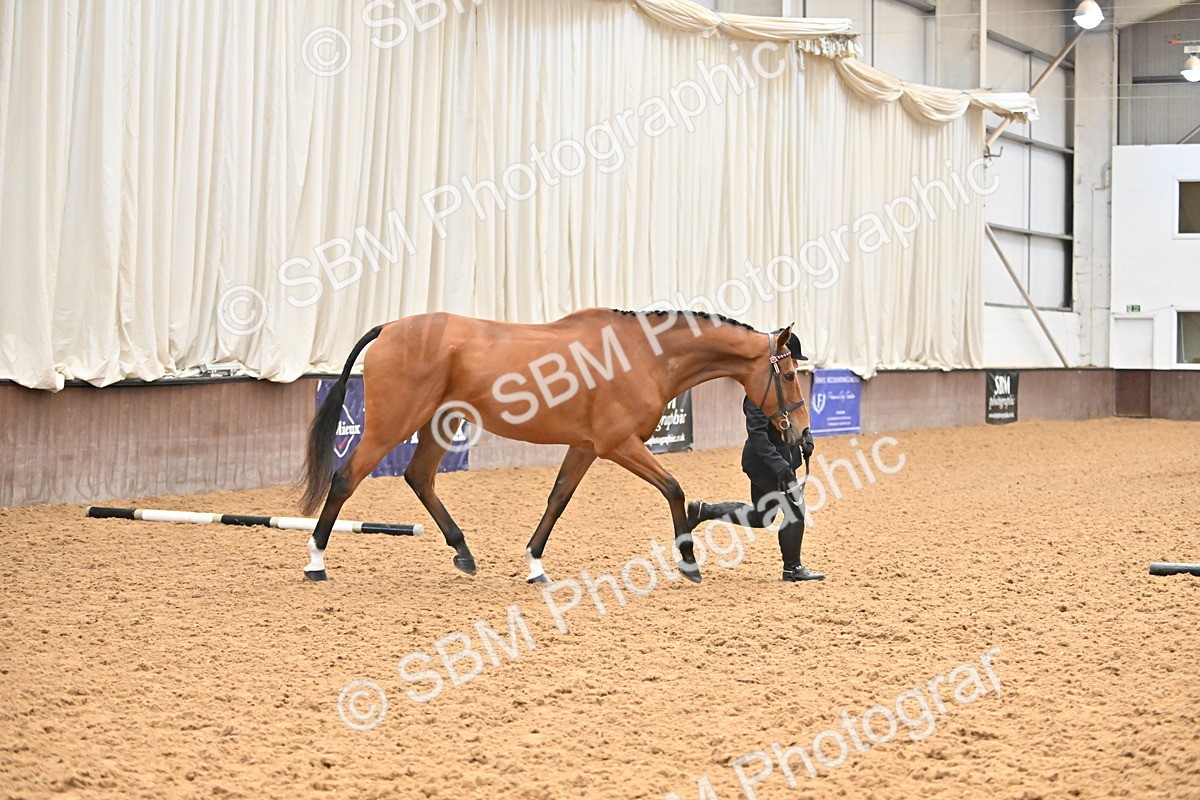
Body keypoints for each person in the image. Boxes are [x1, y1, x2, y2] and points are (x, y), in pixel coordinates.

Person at [686, 331, 825, 582]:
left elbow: (794, 418)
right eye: (794, 359)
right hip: (765, 464)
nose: (796, 364)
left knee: (762, 517)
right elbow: (758, 437)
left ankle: (703, 511)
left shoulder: (783, 385)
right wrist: (781, 468)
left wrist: (806, 438)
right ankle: (792, 568)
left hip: (778, 461)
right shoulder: (758, 395)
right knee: (795, 509)